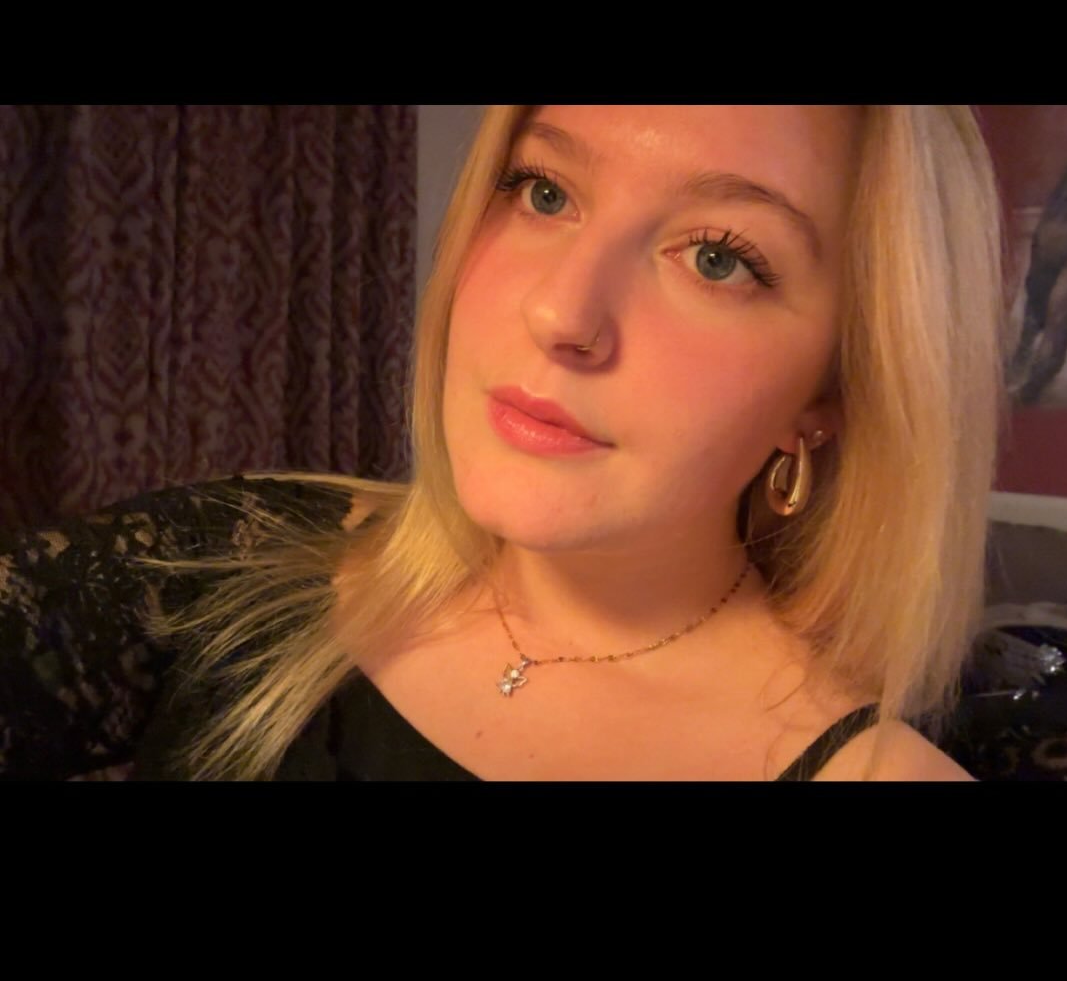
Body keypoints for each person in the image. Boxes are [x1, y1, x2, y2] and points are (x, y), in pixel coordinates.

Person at [0, 105, 1005, 781]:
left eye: (716, 257)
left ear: (834, 391)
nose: (560, 311)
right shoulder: (245, 555)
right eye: (545, 192)